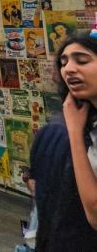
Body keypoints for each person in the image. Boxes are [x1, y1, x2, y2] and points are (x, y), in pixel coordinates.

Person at [29, 29, 97, 248]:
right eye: (64, 62)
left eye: (82, 60)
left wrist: (75, 133)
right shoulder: (65, 127)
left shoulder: (70, 127)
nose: (69, 69)